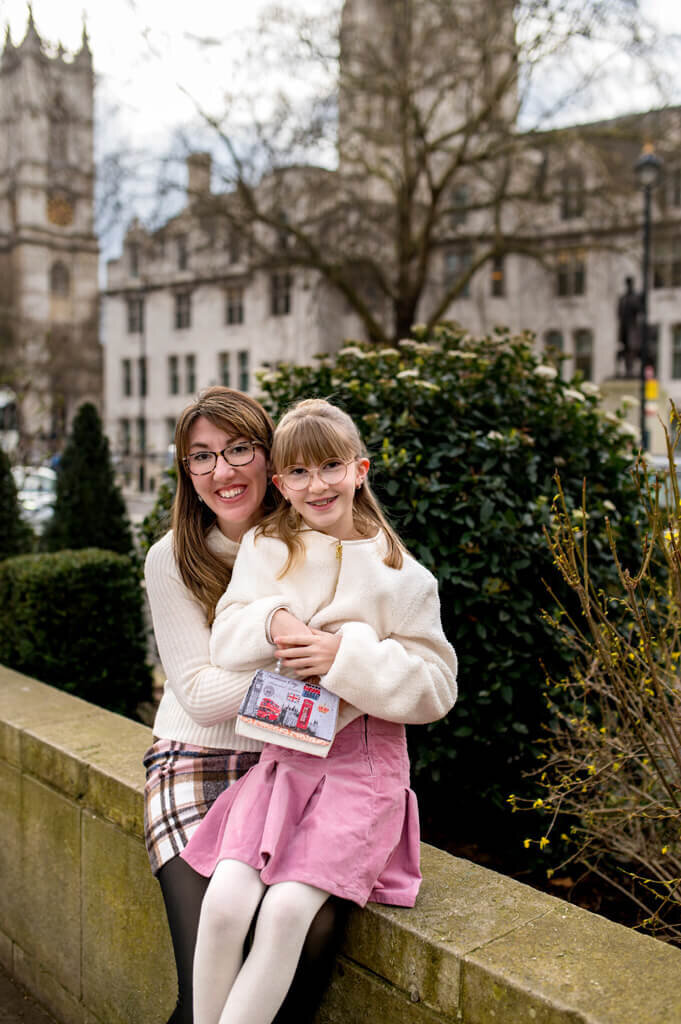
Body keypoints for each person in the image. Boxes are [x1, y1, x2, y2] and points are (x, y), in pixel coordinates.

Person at [181, 398, 458, 1024]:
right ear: (280, 483)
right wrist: (271, 619)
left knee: (283, 913)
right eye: (299, 473)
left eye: (331, 466)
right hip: (284, 762)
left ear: (359, 469)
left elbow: (437, 687)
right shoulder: (267, 547)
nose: (317, 484)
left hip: (362, 773)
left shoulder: (404, 577)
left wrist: (344, 655)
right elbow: (227, 635)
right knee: (224, 903)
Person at [143, 387, 344, 1024]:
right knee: (206, 983)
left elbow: (365, 655)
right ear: (186, 472)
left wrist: (331, 669)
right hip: (193, 761)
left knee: (310, 939)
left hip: (296, 773)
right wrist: (303, 664)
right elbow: (200, 698)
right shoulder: (171, 558)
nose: (222, 472)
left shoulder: (319, 542)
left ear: (271, 457)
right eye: (201, 458)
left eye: (238, 449)